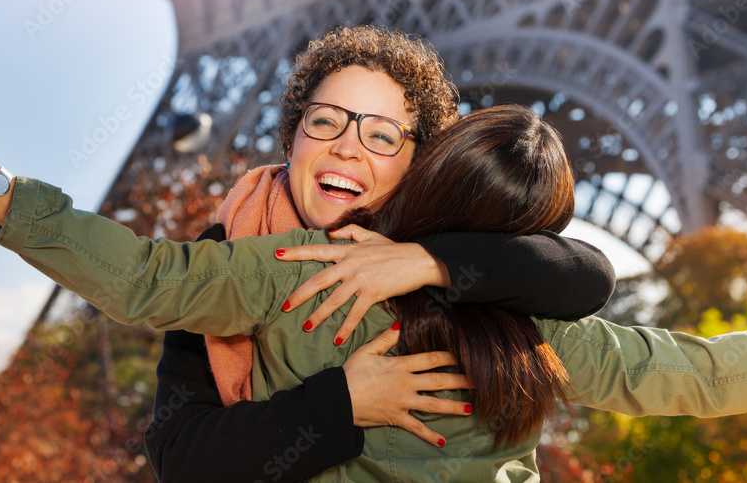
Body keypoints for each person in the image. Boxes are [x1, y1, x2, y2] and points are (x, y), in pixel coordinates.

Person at [0, 99, 747, 482]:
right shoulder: (539, 337)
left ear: (427, 171)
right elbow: (710, 375)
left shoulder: (301, 271)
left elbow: (143, 279)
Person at [143, 27, 619, 482]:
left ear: (416, 164)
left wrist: (427, 261)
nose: (347, 147)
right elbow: (181, 459)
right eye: (325, 120)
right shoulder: (226, 248)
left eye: (384, 135)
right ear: (293, 138)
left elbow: (589, 275)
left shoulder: (437, 247)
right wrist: (343, 403)